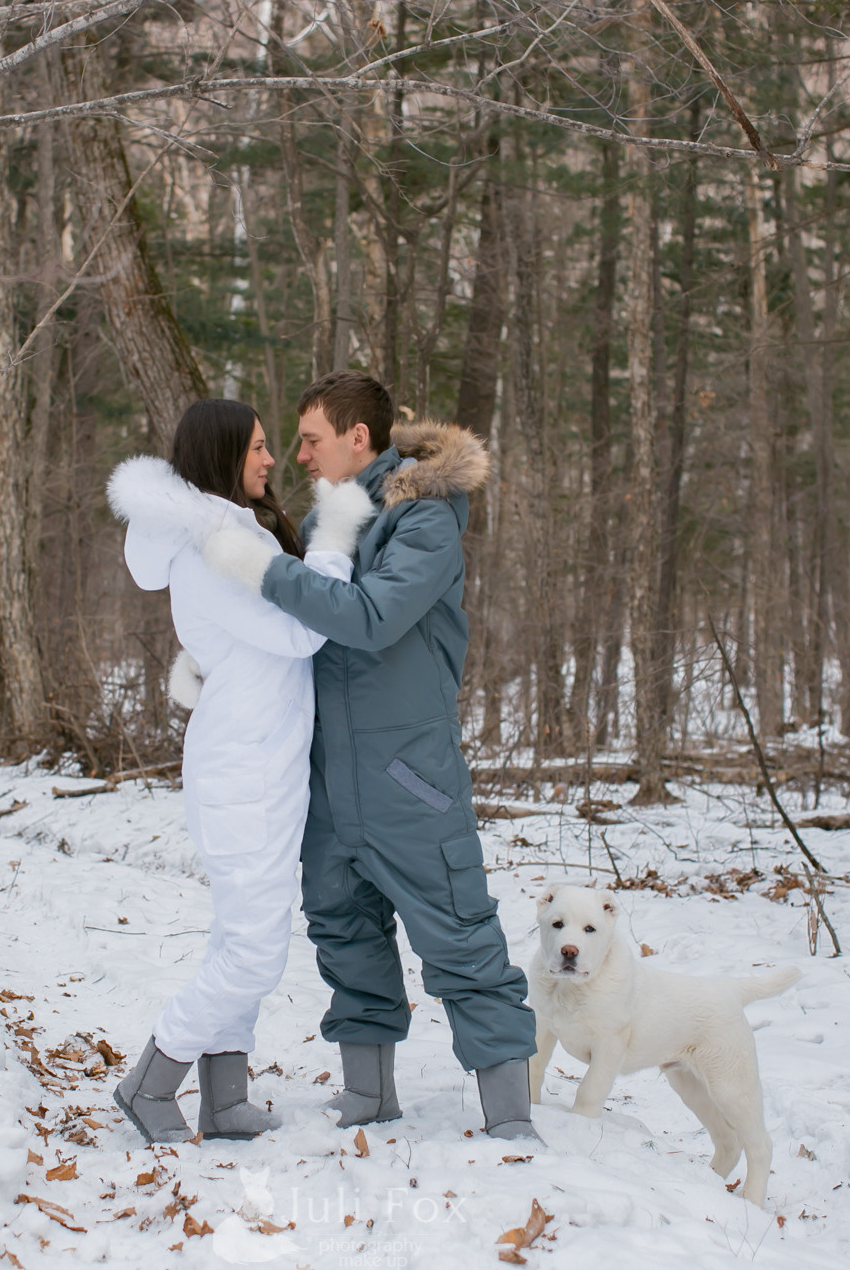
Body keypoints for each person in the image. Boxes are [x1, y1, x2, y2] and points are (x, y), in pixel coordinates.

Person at [204, 371, 540, 1141]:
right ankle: (367, 1095)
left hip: (408, 778)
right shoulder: (332, 520)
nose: (300, 454)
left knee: (458, 934)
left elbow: (374, 616)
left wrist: (262, 568)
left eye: (313, 438)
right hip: (329, 779)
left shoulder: (422, 519)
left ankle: (510, 1118)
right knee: (342, 929)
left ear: (360, 438)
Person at [104, 398, 376, 1143]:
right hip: (244, 766)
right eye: (257, 447)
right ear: (223, 454)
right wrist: (333, 545)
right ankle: (152, 1078)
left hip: (258, 757)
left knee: (240, 935)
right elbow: (298, 628)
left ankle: (225, 1098)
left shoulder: (227, 533)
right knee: (254, 951)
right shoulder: (222, 541)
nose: (270, 460)